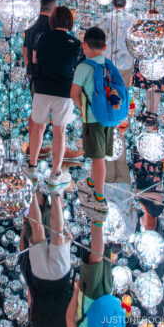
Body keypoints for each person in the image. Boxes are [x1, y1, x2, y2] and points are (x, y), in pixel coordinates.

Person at [27, 6, 81, 187]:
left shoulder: (42, 39)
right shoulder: (75, 43)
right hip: (64, 91)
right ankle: (56, 174)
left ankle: (32, 167)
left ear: (52, 21)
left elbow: (35, 60)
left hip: (42, 88)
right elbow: (77, 68)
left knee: (38, 129)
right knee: (59, 132)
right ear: (69, 22)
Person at [71, 28, 113, 213]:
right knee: (100, 153)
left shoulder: (83, 67)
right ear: (104, 46)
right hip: (108, 116)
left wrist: (81, 108)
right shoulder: (108, 64)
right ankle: (90, 182)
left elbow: (74, 93)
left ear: (84, 46)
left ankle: (99, 198)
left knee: (98, 158)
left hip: (92, 117)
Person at [20, 184, 72, 327]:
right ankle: (31, 185)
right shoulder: (35, 324)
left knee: (57, 232)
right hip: (40, 279)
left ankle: (55, 190)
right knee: (37, 229)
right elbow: (31, 298)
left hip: (60, 277)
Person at [66, 219, 126, 327]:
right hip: (91, 300)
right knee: (97, 257)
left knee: (104, 252)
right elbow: (69, 319)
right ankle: (97, 214)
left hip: (106, 298)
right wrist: (76, 292)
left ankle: (103, 215)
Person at [99, 0, 135, 89]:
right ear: (125, 4)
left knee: (108, 89)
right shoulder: (132, 19)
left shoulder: (107, 17)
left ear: (113, 5)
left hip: (108, 59)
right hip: (127, 60)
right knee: (123, 90)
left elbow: (101, 37)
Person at [23, 0, 56, 94]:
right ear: (54, 9)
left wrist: (27, 65)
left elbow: (25, 47)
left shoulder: (31, 23)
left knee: (36, 103)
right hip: (47, 73)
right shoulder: (52, 24)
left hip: (32, 70)